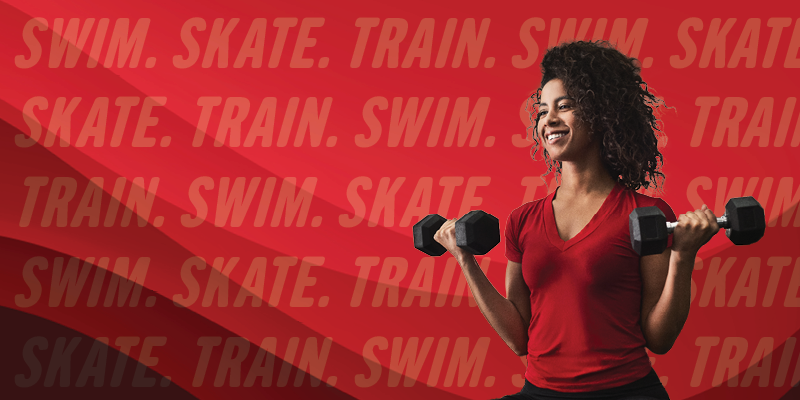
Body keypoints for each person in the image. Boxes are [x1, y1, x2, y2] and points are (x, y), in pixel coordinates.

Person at [433, 41, 720, 400]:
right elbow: (518, 339)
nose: (548, 120)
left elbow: (660, 339)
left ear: (601, 115)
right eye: (542, 111)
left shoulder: (644, 215)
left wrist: (683, 255)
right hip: (540, 392)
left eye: (564, 106)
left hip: (625, 392)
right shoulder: (523, 220)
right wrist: (465, 261)